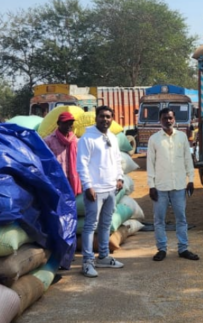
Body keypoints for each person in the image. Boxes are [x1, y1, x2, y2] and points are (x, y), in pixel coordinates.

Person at [77, 105, 125, 277]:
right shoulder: (87, 139)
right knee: (90, 225)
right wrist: (88, 186)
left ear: (112, 118)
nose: (105, 119)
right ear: (96, 118)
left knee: (105, 224)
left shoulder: (112, 137)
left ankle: (103, 257)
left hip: (111, 188)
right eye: (102, 116)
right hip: (95, 190)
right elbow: (81, 165)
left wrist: (120, 178)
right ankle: (87, 262)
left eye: (108, 117)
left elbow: (118, 160)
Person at [147, 108, 199, 262]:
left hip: (179, 186)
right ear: (160, 120)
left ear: (174, 119)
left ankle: (183, 249)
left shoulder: (182, 137)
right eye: (164, 118)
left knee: (181, 219)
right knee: (159, 220)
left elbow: (187, 160)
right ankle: (161, 249)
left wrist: (191, 180)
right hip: (160, 186)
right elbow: (150, 163)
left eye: (170, 118)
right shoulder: (154, 139)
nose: (168, 121)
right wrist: (151, 185)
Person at [43, 111, 82, 196]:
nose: (69, 126)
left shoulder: (76, 141)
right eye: (65, 123)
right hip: (56, 181)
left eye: (70, 123)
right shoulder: (48, 141)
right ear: (58, 123)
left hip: (72, 181)